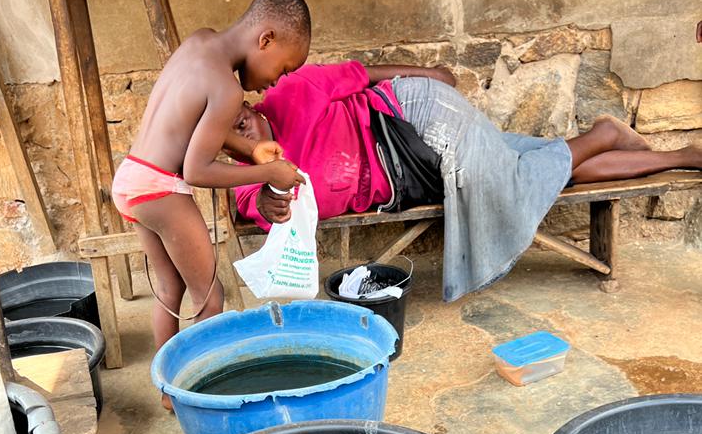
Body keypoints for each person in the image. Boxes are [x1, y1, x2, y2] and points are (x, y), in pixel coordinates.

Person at [231, 61, 702, 299]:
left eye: (242, 119)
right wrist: (270, 195)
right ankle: (678, 155)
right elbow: (260, 204)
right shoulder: (247, 176)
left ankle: (602, 136)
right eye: (230, 135)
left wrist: (430, 73)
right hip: (416, 175)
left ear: (251, 106)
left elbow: (363, 75)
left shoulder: (292, 92)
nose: (243, 132)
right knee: (547, 172)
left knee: (515, 181)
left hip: (412, 119)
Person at [112, 0, 311, 354]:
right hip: (161, 189)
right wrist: (269, 174)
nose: (275, 82)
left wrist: (252, 149)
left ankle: (167, 383)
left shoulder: (199, 41)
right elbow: (197, 170)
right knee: (210, 296)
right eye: (282, 69)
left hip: (132, 178)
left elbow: (193, 124)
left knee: (170, 288)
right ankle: (199, 383)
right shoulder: (227, 90)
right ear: (266, 40)